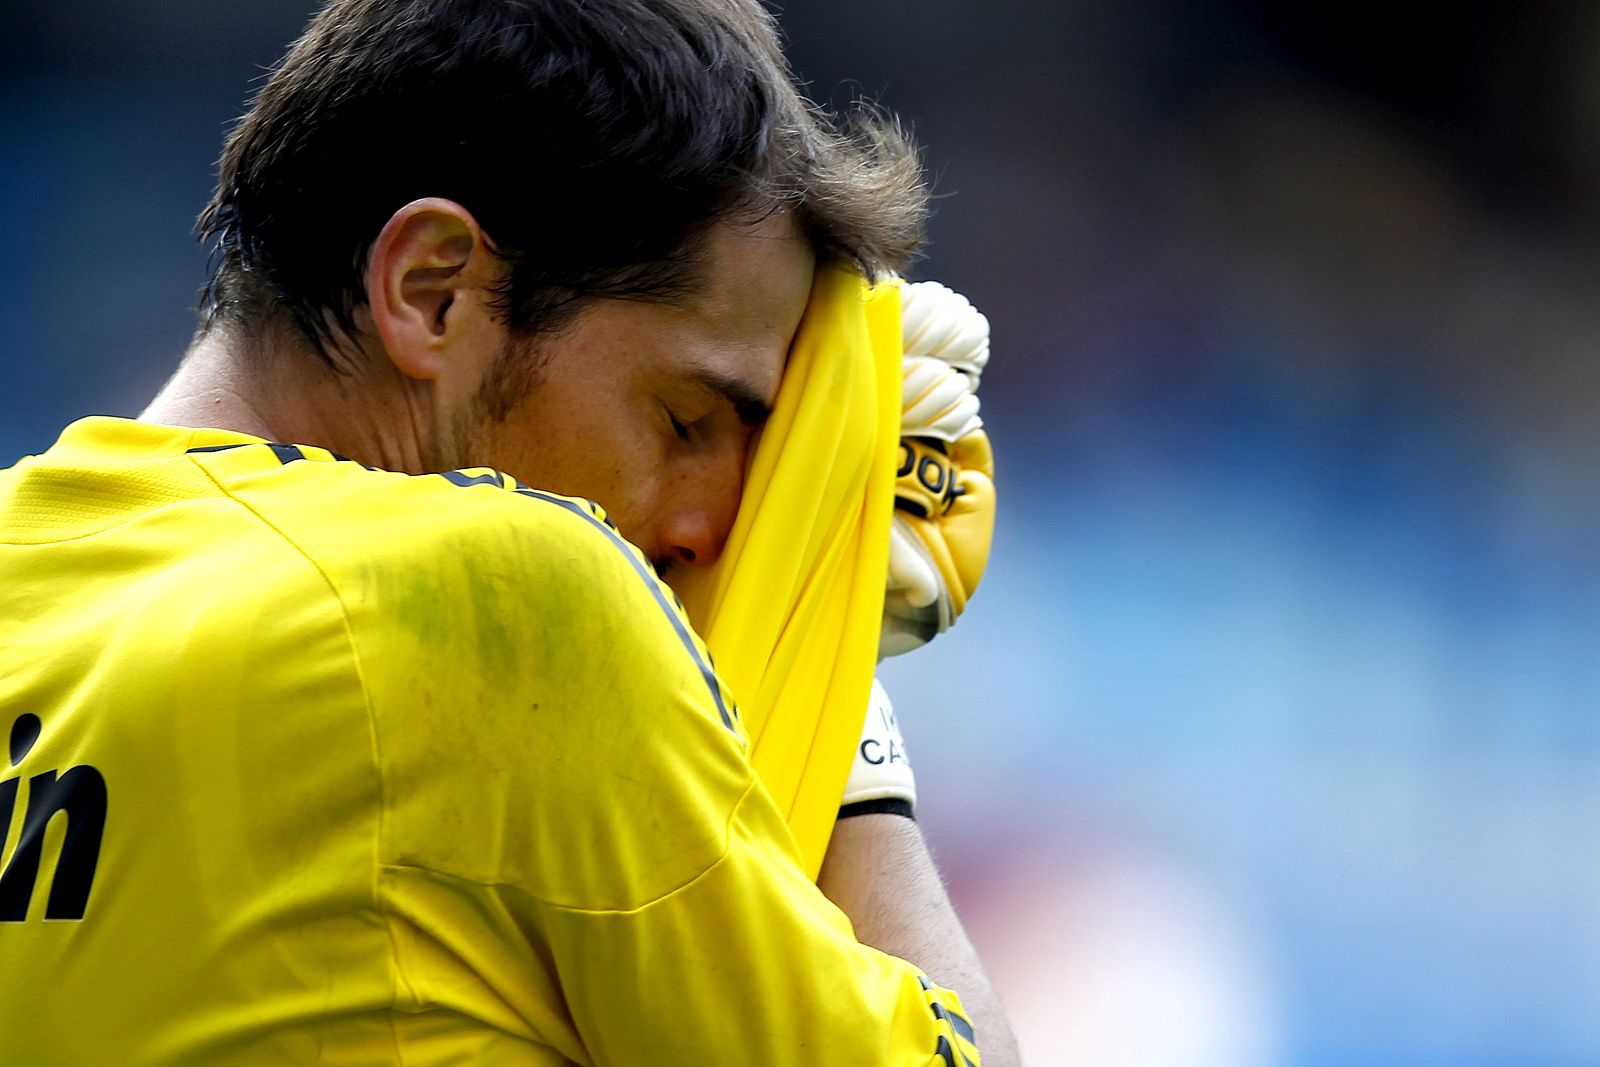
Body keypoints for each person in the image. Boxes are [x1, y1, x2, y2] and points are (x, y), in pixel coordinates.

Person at [0, 0, 1020, 1063]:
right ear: (434, 290)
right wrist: (829, 633)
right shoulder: (509, 594)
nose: (708, 527)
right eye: (685, 418)